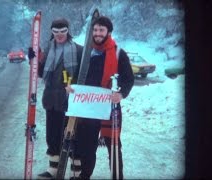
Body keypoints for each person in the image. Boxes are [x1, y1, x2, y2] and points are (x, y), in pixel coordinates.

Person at [66, 16, 134, 179]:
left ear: (108, 32)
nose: (97, 33)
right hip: (88, 108)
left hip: (109, 107)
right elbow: (74, 76)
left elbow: (128, 78)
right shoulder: (85, 52)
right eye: (95, 30)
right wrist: (70, 86)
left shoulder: (118, 53)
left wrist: (121, 93)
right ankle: (84, 176)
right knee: (87, 148)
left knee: (114, 146)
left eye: (101, 30)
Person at [28, 18, 84, 179]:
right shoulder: (47, 51)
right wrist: (34, 60)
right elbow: (39, 74)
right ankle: (53, 169)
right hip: (51, 99)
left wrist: (76, 88)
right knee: (53, 135)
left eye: (63, 31)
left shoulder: (79, 50)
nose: (59, 35)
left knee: (74, 135)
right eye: (56, 32)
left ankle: (76, 171)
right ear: (52, 33)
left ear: (68, 31)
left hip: (71, 100)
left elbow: (85, 74)